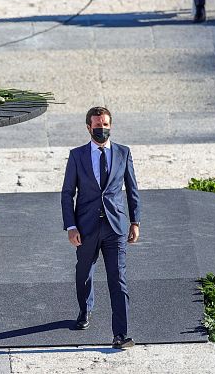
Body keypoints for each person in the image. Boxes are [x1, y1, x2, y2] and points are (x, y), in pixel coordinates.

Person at [60, 107, 141, 350]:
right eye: (97, 125)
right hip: (86, 227)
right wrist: (71, 226)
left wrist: (135, 221)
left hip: (115, 227)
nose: (102, 129)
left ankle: (121, 334)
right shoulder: (77, 156)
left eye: (105, 124)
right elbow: (67, 194)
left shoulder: (123, 153)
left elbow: (132, 190)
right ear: (88, 127)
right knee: (84, 272)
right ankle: (85, 310)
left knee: (118, 279)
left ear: (110, 125)